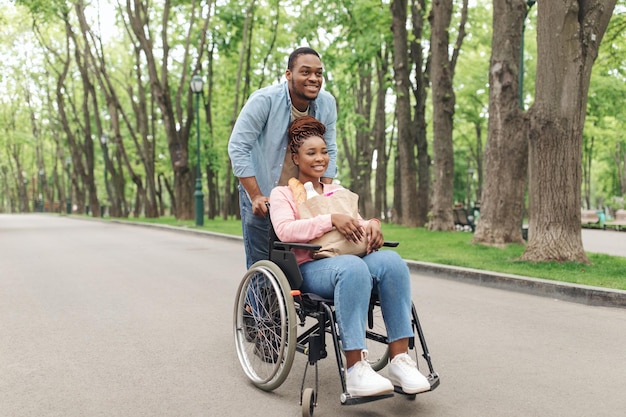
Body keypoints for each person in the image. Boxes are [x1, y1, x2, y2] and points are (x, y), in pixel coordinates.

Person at [269, 116, 431, 397]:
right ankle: (355, 368)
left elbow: (356, 222)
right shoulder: (283, 194)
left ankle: (399, 360)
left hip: (347, 258)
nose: (320, 158)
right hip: (311, 267)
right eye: (311, 153)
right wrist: (331, 219)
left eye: (324, 152)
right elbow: (285, 231)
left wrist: (373, 225)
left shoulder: (337, 191)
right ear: (296, 157)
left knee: (393, 262)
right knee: (353, 268)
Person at [228, 47, 338, 268]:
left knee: (301, 261)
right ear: (289, 75)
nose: (313, 78)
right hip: (262, 191)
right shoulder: (264, 101)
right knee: (262, 264)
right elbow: (238, 147)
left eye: (318, 73)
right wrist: (256, 195)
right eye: (305, 72)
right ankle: (255, 303)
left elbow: (330, 149)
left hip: (299, 195)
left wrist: (325, 192)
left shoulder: (326, 103)